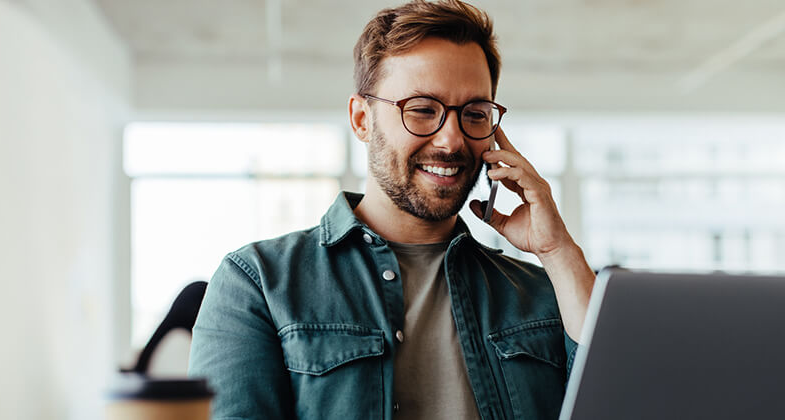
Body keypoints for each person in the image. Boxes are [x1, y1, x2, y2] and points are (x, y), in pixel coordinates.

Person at [188, 1, 596, 419]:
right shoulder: (258, 284)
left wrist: (558, 251)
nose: (452, 141)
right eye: (422, 110)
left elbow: (619, 402)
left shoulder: (543, 293)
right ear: (362, 119)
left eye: (474, 114)